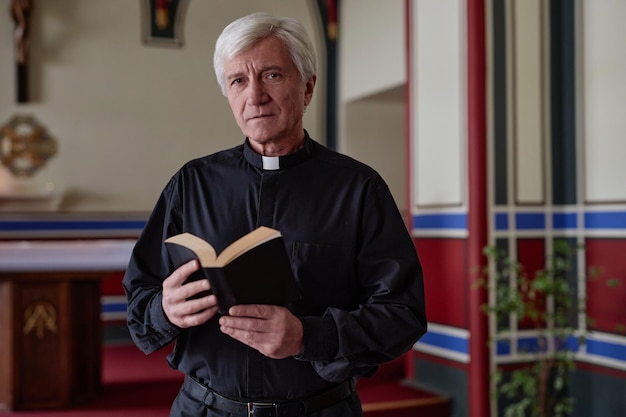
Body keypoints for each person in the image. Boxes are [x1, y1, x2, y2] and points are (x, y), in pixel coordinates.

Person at [123, 11, 427, 417]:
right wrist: (166, 309)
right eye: (238, 81)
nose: (255, 96)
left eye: (271, 75)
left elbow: (402, 314)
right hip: (203, 409)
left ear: (308, 87)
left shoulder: (358, 189)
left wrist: (309, 336)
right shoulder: (191, 183)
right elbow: (139, 301)